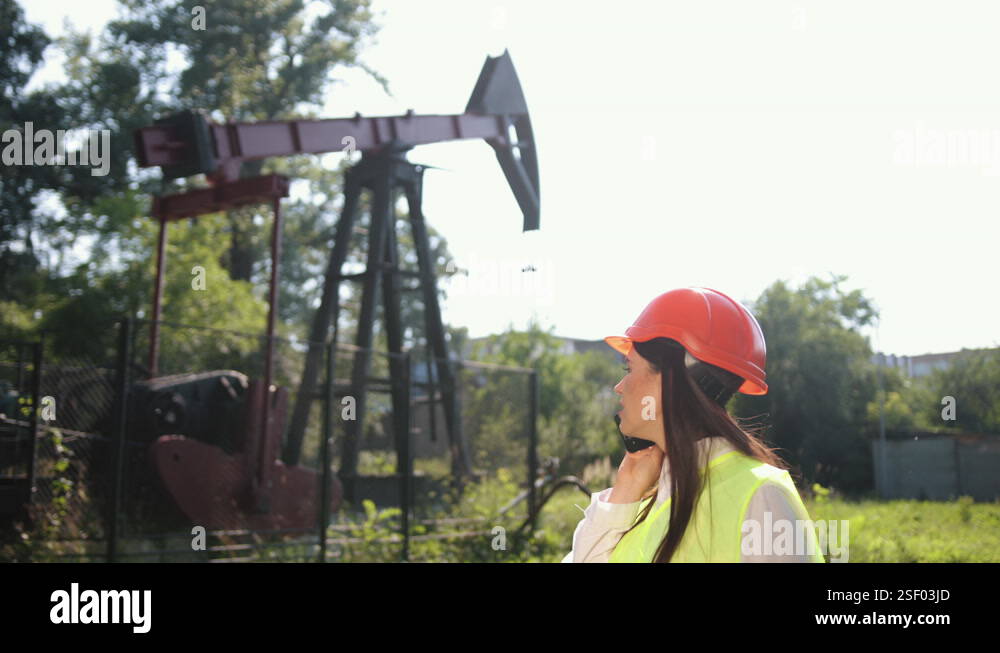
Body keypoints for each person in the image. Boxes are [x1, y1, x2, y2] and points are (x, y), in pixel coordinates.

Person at [562, 287, 825, 563]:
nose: (619, 386)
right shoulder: (643, 500)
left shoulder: (763, 497)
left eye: (629, 369)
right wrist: (625, 491)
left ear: (669, 380)